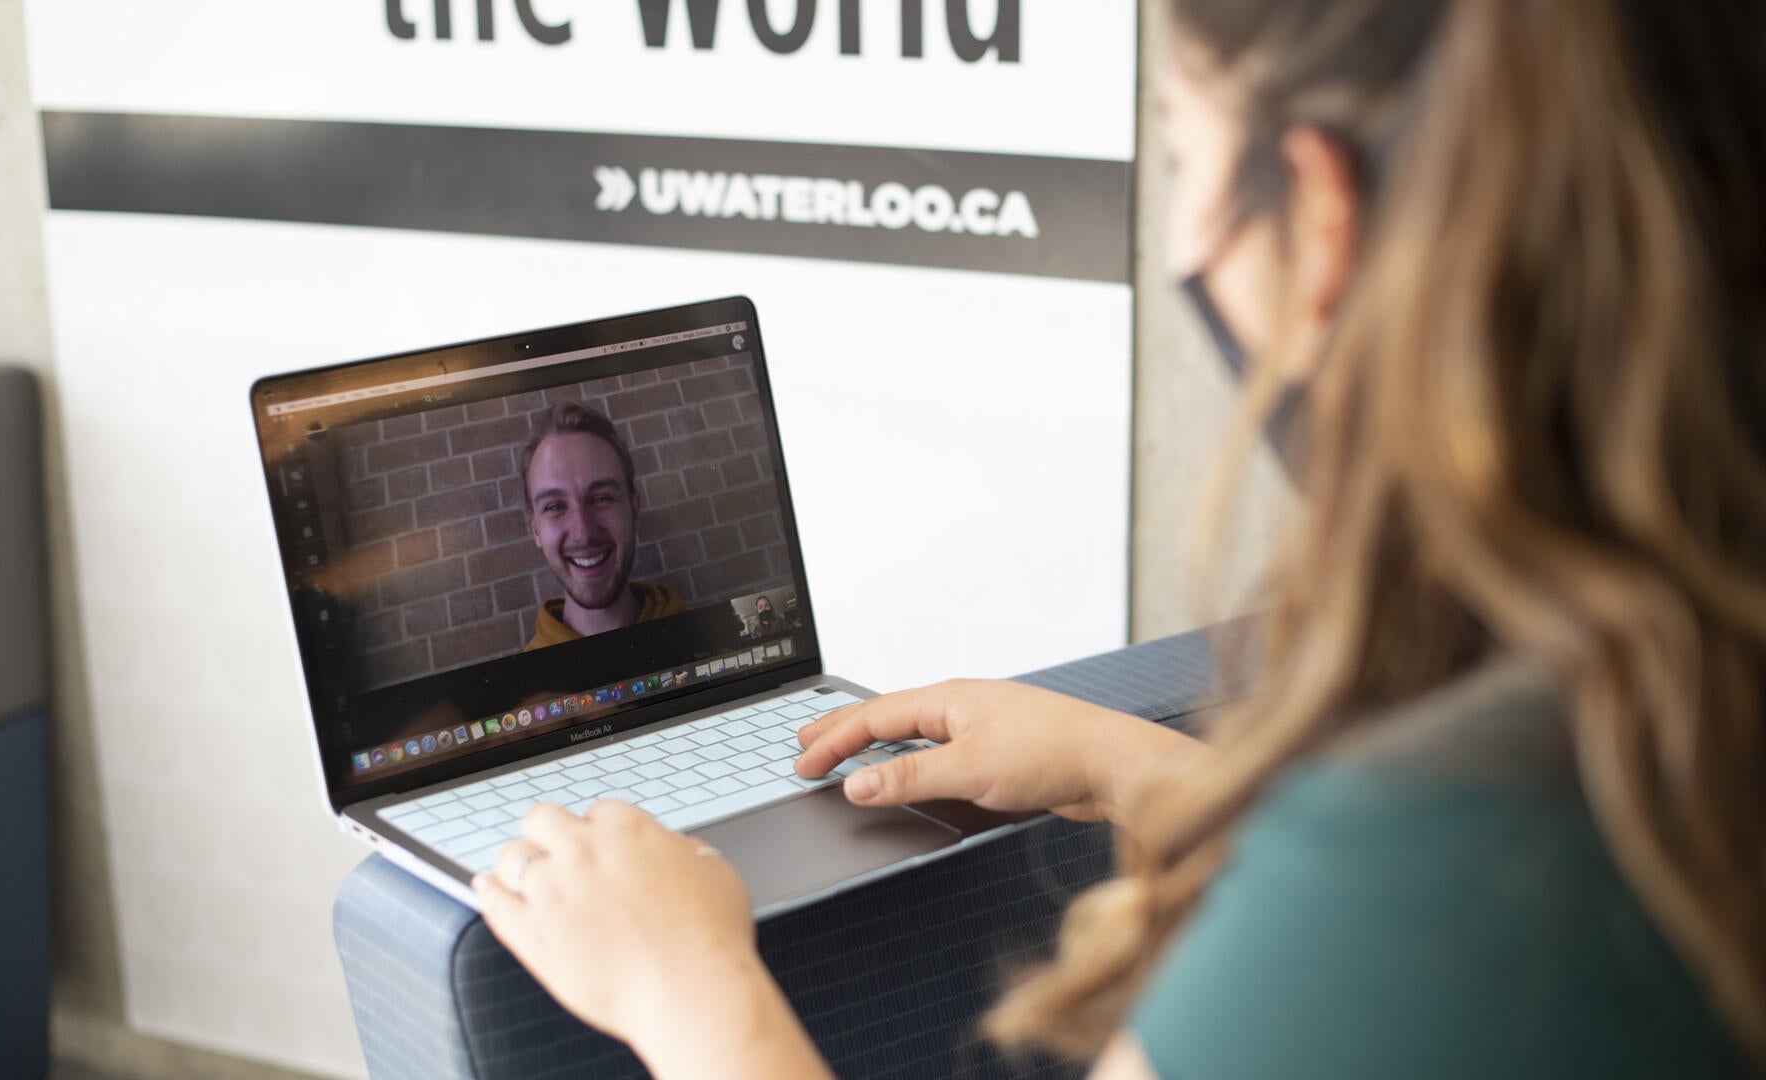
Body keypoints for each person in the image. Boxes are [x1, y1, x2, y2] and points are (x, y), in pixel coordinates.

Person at [470, 2, 1766, 1077]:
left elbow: (1392, 920)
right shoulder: (1669, 694)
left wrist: (690, 992)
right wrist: (1125, 766)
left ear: (1320, 217)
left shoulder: (1458, 842)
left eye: (1182, 151)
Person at [518, 401, 684, 651]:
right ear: (536, 530)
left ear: (635, 510)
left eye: (601, 498)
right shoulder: (526, 687)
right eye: (555, 507)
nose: (583, 533)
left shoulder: (709, 641)